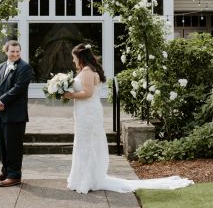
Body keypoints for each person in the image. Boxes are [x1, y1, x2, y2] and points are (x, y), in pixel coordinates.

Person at [63, 43, 194, 194]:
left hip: (87, 112)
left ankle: (86, 180)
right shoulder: (89, 70)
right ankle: (86, 177)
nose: (73, 61)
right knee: (86, 143)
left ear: (80, 57)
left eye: (74, 58)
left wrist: (69, 94)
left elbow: (87, 93)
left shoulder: (86, 71)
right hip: (88, 111)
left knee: (86, 143)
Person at [0, 40, 33, 187]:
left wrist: (1, 102)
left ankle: (14, 175)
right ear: (6, 51)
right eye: (12, 51)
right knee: (1, 145)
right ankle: (6, 171)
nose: (15, 54)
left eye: (17, 52)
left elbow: (18, 89)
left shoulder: (25, 67)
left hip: (15, 115)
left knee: (13, 146)